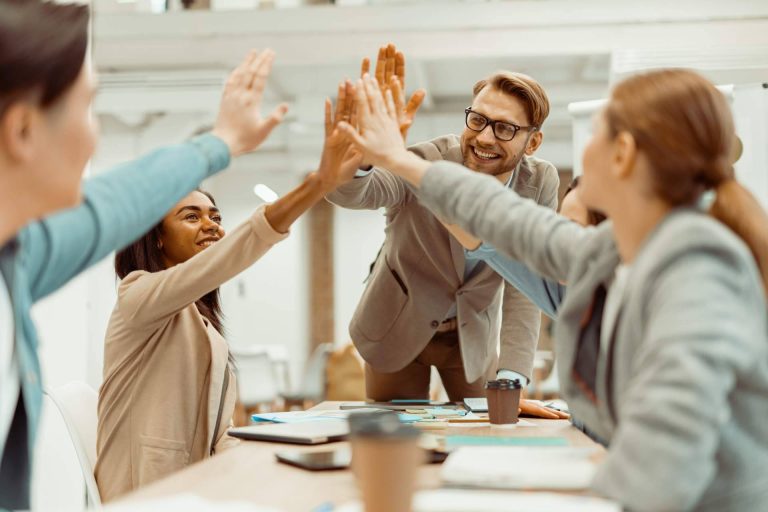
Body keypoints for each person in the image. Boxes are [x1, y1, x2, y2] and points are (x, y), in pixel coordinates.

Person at [340, 70, 768, 511]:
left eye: (595, 135)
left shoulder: (696, 271)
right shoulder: (614, 251)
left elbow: (661, 469)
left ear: (621, 154)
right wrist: (398, 159)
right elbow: (510, 222)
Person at [0, 1, 288, 507]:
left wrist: (221, 141)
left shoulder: (19, 258)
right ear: (23, 130)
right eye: (85, 110)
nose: (94, 139)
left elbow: (115, 202)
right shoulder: (135, 292)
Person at [95, 81, 360, 501]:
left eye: (215, 216)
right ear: (157, 237)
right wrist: (320, 182)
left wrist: (272, 455)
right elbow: (238, 248)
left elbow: (215, 435)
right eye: (191, 216)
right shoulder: (138, 296)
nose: (213, 225)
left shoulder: (197, 317)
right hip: (146, 493)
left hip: (190, 484)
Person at [323, 44, 561, 404]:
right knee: (396, 441)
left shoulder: (540, 183)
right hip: (396, 325)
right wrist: (358, 163)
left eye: (504, 129)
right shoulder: (426, 160)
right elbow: (357, 194)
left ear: (533, 142)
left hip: (471, 336)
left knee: (486, 435)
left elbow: (527, 282)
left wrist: (512, 373)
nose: (484, 137)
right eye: (478, 119)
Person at [443, 176, 606, 318]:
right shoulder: (566, 293)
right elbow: (483, 239)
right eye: (559, 224)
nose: (559, 240)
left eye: (573, 229)